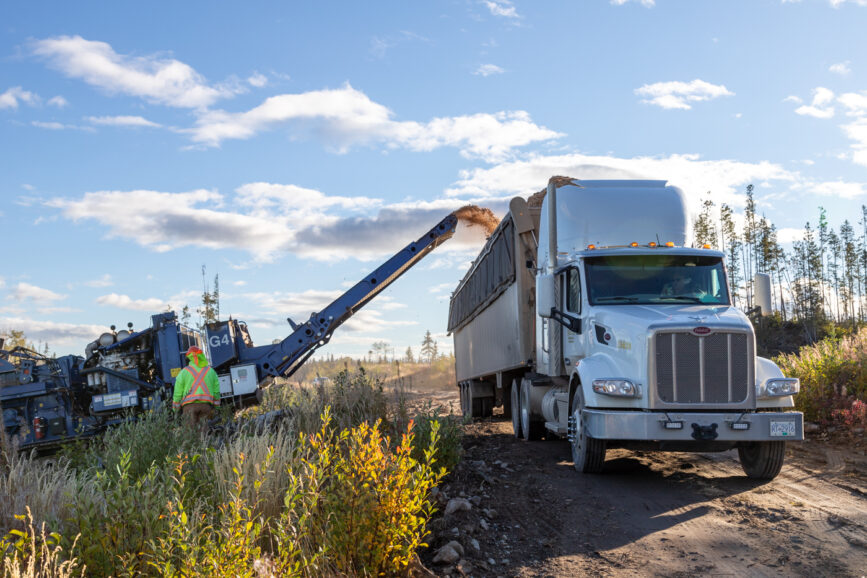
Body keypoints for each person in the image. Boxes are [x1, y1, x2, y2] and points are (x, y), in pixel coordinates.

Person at [173, 345, 220, 428]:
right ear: (201, 356)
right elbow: (216, 392)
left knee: (190, 435)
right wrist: (216, 408)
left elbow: (177, 394)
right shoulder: (211, 371)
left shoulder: (183, 372)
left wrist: (176, 410)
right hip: (206, 406)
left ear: (189, 358)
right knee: (204, 433)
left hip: (188, 408)